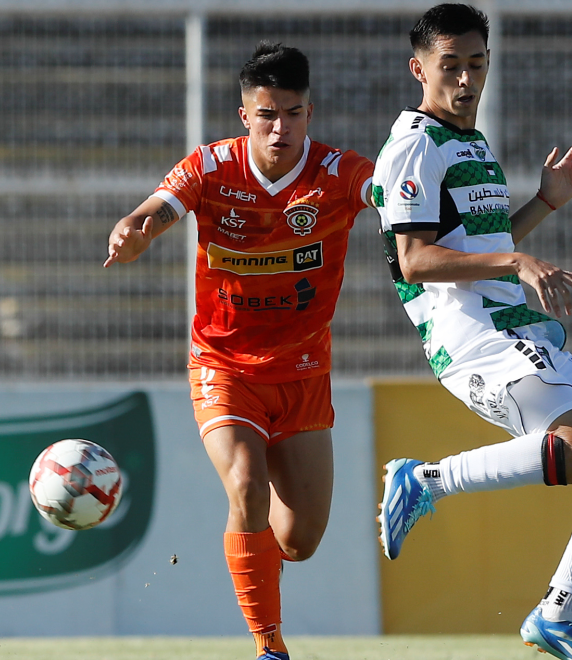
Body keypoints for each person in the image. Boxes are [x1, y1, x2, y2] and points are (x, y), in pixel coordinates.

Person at [371, 4, 572, 660]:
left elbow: (481, 242)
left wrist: (543, 204)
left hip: (515, 327)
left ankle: (560, 613)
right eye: (451, 65)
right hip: (473, 337)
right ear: (419, 69)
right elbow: (414, 261)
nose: (466, 79)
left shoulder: (468, 142)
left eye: (477, 64)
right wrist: (519, 261)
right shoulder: (415, 146)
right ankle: (425, 480)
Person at [105, 42, 373, 660]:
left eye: (294, 113)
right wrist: (133, 230)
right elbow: (156, 210)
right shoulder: (211, 167)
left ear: (310, 112)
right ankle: (269, 647)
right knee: (247, 486)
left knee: (300, 541)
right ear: (245, 114)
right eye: (267, 114)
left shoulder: (338, 173)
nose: (281, 128)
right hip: (223, 365)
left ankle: (249, 548)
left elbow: (389, 197)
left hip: (303, 370)